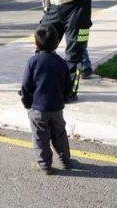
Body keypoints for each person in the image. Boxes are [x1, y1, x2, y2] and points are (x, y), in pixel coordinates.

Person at [20, 24, 72, 175]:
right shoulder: (61, 62)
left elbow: (26, 86)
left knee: (40, 137)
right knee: (60, 135)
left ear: (36, 43)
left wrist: (26, 103)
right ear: (57, 43)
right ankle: (65, 160)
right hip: (56, 108)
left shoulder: (33, 62)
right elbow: (67, 86)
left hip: (37, 109)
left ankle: (45, 165)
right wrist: (65, 99)